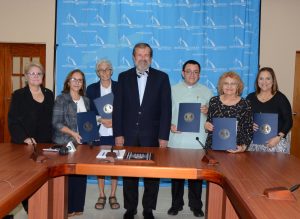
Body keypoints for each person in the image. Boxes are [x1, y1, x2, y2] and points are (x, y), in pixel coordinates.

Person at [113, 43, 172, 219]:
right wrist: (118, 133)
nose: (143, 58)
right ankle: (130, 208)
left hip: (152, 135)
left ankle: (148, 209)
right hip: (128, 134)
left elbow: (166, 110)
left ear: (151, 58)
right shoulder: (123, 77)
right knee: (129, 174)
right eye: (140, 55)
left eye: (146, 55)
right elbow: (118, 108)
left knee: (152, 175)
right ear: (133, 57)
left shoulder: (162, 78)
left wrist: (163, 137)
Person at [8, 61, 54, 216]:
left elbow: (52, 120)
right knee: (26, 180)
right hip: (24, 145)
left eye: (38, 73)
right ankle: (31, 209)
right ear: (26, 76)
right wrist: (24, 138)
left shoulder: (49, 94)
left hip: (45, 143)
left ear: (43, 76)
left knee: (42, 177)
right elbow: (13, 121)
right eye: (32, 73)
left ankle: (40, 205)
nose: (35, 76)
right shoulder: (19, 95)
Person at [168, 60, 212, 217]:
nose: (192, 74)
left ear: (199, 74)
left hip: (197, 141)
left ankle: (196, 206)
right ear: (182, 73)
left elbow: (212, 118)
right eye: (189, 71)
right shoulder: (172, 90)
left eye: (195, 72)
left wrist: (208, 112)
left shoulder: (207, 92)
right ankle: (176, 204)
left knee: (196, 177)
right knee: (177, 177)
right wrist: (169, 126)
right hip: (177, 140)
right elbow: (164, 113)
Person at [52, 69, 89, 217]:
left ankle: (78, 207)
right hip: (65, 143)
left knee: (80, 174)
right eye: (74, 79)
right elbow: (56, 123)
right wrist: (73, 133)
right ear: (68, 82)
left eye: (80, 80)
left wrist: (92, 130)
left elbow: (87, 122)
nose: (77, 82)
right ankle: (67, 208)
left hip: (83, 143)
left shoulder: (86, 100)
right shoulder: (61, 99)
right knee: (68, 176)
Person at [86, 59, 120, 210]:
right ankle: (101, 194)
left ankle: (112, 194)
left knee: (114, 163)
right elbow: (88, 111)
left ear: (111, 71)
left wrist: (114, 121)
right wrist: (101, 119)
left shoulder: (120, 87)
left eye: (107, 69)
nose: (104, 72)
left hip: (116, 132)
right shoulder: (91, 89)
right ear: (97, 73)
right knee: (100, 164)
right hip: (99, 131)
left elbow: (125, 109)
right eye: (101, 70)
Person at [247, 67, 293, 153]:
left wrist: (279, 137)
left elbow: (288, 120)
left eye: (268, 78)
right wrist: (249, 124)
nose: (264, 82)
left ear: (273, 80)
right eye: (261, 78)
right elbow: (245, 118)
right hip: (254, 144)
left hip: (276, 143)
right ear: (257, 81)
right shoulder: (250, 98)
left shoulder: (280, 98)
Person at [204, 71, 253, 152]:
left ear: (238, 86)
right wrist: (206, 125)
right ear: (221, 86)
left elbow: (249, 129)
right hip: (213, 147)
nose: (229, 86)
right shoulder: (214, 101)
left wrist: (243, 148)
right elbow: (209, 122)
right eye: (226, 83)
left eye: (233, 83)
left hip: (235, 149)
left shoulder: (245, 104)